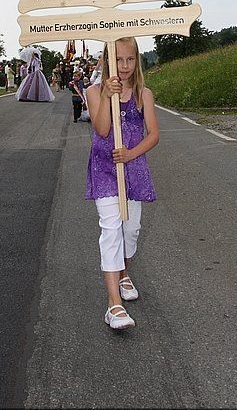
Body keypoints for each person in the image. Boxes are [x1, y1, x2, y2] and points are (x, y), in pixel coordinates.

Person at [86, 37, 159, 330]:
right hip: (105, 169)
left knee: (131, 230)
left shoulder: (144, 94)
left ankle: (123, 272)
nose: (124, 65)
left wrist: (131, 154)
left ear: (137, 60)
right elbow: (102, 129)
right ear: (108, 61)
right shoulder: (94, 91)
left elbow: (153, 134)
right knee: (111, 230)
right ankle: (114, 305)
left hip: (134, 168)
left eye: (130, 59)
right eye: (118, 59)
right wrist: (107, 96)